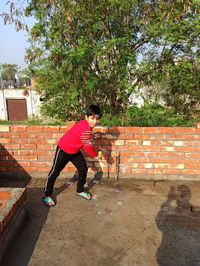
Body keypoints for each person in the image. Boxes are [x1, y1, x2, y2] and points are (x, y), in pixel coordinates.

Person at [42, 104, 102, 207]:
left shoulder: (86, 126)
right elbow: (87, 147)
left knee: (83, 168)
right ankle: (47, 195)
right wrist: (96, 156)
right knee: (55, 172)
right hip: (63, 149)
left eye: (97, 119)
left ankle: (80, 190)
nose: (94, 121)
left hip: (74, 151)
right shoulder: (86, 129)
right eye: (92, 118)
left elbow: (85, 141)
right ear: (86, 117)